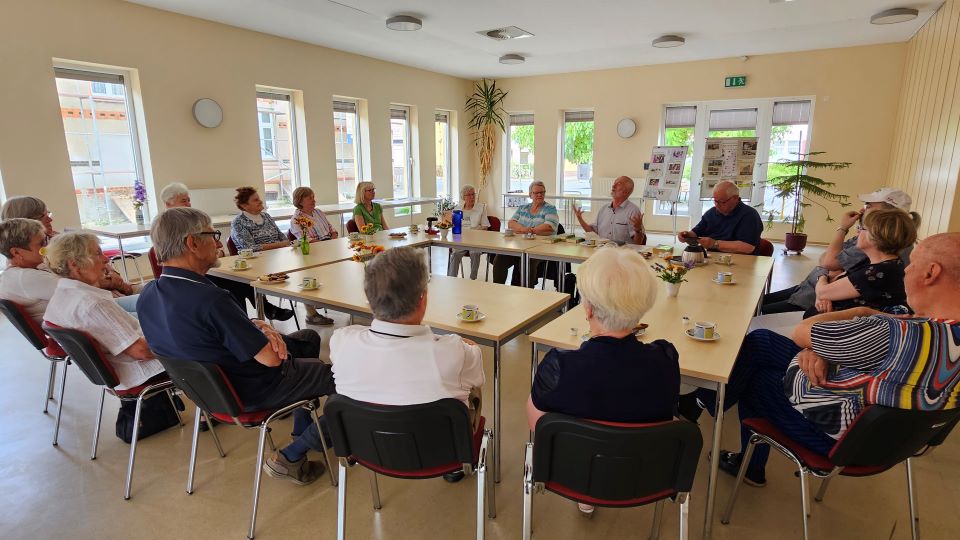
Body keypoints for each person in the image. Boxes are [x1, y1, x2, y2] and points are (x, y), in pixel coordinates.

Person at [679, 233, 960, 487]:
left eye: (912, 264)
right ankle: (705, 401)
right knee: (761, 341)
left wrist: (861, 311)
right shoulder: (935, 331)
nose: (906, 269)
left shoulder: (895, 333)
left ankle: (743, 456)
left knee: (756, 379)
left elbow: (804, 332)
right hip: (898, 441)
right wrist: (823, 349)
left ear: (931, 273)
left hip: (841, 440)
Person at [138, 208, 335, 485]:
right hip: (253, 388)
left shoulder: (148, 294)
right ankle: (292, 455)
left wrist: (258, 324)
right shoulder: (211, 298)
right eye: (213, 235)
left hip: (209, 393)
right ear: (192, 243)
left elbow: (210, 331)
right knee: (343, 378)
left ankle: (301, 427)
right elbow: (271, 360)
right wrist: (268, 335)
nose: (220, 243)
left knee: (308, 339)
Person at [527, 247, 680, 514]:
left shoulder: (559, 366)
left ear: (587, 309)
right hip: (645, 476)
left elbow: (537, 426)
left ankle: (588, 492)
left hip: (573, 473)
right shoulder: (665, 360)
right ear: (641, 308)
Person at [330, 246, 484, 482]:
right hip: (444, 452)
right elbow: (477, 377)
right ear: (423, 299)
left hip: (367, 450)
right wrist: (467, 344)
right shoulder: (452, 351)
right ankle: (456, 468)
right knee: (468, 390)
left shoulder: (341, 341)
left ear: (369, 300)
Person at [761, 188, 921, 314]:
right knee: (757, 302)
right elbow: (829, 264)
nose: (862, 210)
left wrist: (843, 228)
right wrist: (827, 277)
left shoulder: (881, 255)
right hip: (810, 293)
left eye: (869, 206)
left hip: (812, 302)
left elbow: (827, 264)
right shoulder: (878, 252)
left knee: (757, 309)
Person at [42, 232, 164, 390]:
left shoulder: (62, 295)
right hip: (140, 370)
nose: (106, 259)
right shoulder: (93, 304)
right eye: (98, 254)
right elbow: (142, 351)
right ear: (75, 265)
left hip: (120, 368)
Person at [163, 184, 292, 322]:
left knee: (238, 280)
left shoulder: (192, 222)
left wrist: (215, 252)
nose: (189, 204)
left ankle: (245, 319)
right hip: (191, 275)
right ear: (168, 204)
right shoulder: (166, 227)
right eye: (184, 201)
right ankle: (247, 319)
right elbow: (183, 256)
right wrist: (211, 254)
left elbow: (213, 248)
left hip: (203, 267)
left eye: (189, 200)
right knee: (235, 282)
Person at [0, 218, 139, 319]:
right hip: (90, 317)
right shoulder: (26, 279)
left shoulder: (21, 273)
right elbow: (82, 289)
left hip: (89, 312)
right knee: (153, 307)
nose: (47, 247)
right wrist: (111, 281)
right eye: (41, 243)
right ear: (16, 252)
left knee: (151, 301)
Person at [806, 208, 916, 318]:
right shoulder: (884, 264)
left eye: (861, 228)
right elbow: (831, 280)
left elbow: (823, 291)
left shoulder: (878, 272)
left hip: (847, 331)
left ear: (875, 236)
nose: (857, 232)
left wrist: (821, 278)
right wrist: (823, 293)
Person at [492, 181, 559, 286]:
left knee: (527, 262)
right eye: (536, 193)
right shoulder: (523, 208)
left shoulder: (550, 209)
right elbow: (511, 223)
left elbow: (549, 227)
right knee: (500, 259)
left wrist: (529, 230)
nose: (540, 195)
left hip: (541, 248)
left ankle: (527, 292)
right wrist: (524, 229)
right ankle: (498, 289)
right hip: (520, 246)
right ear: (530, 195)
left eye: (542, 192)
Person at [288, 187, 335, 326]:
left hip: (329, 247)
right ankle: (312, 312)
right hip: (312, 253)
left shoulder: (319, 212)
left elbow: (332, 229)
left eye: (313, 197)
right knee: (309, 272)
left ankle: (325, 298)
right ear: (300, 201)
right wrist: (327, 244)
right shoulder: (297, 219)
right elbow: (307, 240)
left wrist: (332, 240)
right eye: (310, 198)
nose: (314, 200)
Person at [677, 180, 762, 254]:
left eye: (722, 202)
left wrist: (715, 244)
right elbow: (696, 233)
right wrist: (686, 235)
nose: (717, 205)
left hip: (742, 260)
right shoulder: (711, 213)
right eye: (715, 200)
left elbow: (748, 247)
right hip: (714, 258)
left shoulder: (749, 215)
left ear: (735, 198)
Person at [573, 176, 646, 245]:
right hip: (603, 251)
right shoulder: (604, 209)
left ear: (626, 192)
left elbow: (638, 243)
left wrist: (638, 230)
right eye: (614, 183)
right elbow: (593, 234)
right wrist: (580, 219)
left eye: (618, 184)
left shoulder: (633, 211)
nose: (613, 186)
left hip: (622, 254)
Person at [445, 184, 489, 279]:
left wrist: (475, 233)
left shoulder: (481, 207)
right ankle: (451, 279)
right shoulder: (457, 209)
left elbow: (485, 226)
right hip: (461, 239)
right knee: (455, 254)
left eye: (473, 194)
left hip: (476, 240)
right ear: (463, 197)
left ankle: (472, 279)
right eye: (469, 195)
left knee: (475, 253)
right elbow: (453, 225)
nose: (472, 197)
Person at [230, 187, 289, 252]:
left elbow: (281, 236)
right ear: (244, 205)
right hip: (256, 260)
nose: (261, 201)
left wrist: (285, 243)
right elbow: (250, 248)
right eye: (256, 200)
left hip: (278, 254)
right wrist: (280, 245)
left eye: (259, 199)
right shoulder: (238, 222)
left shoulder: (266, 216)